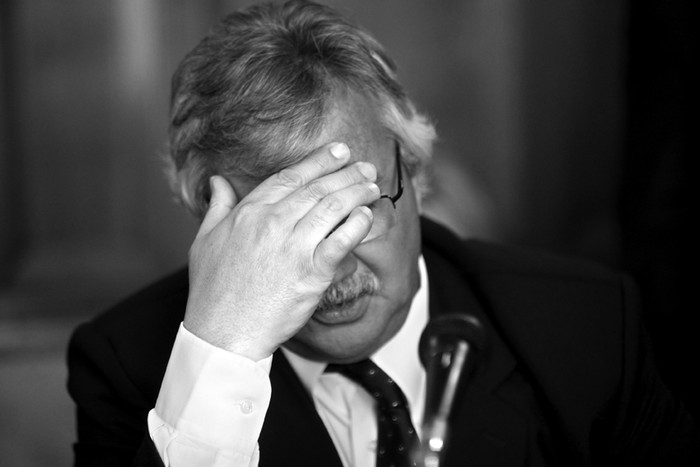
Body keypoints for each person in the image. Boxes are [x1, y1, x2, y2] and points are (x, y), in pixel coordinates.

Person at [67, 1, 700, 466]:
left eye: (354, 208)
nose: (334, 268)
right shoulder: (127, 364)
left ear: (416, 173)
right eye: (289, 227)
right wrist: (224, 352)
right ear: (208, 223)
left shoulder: (585, 324)